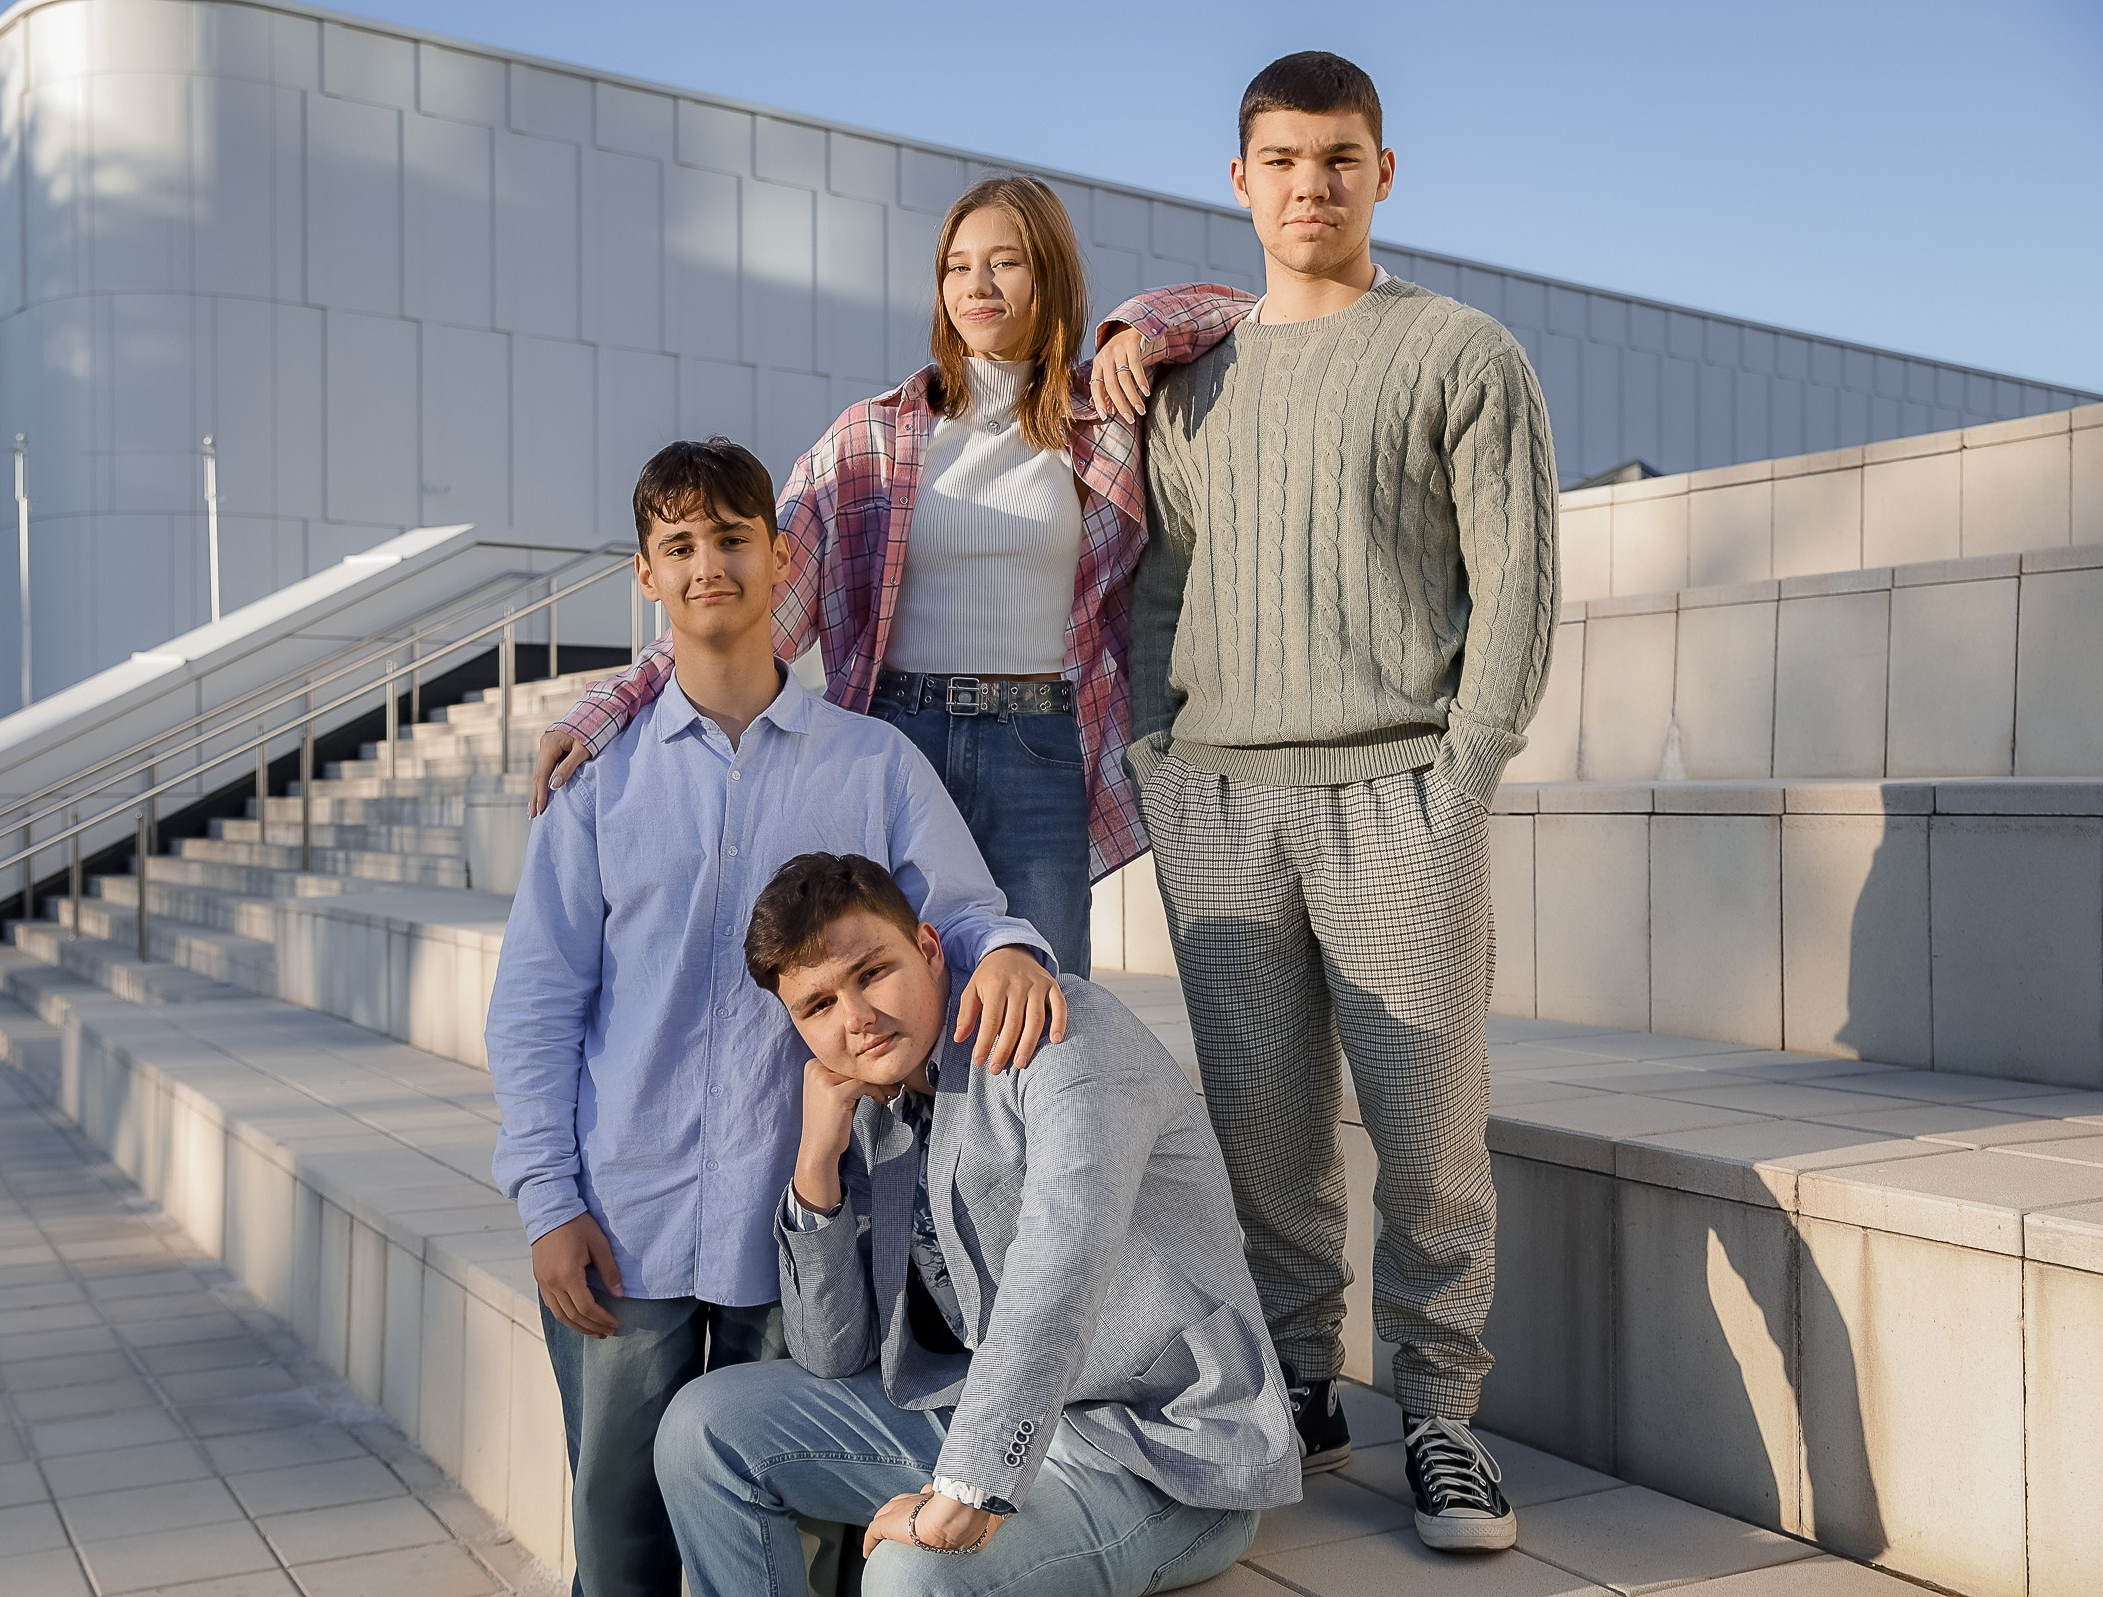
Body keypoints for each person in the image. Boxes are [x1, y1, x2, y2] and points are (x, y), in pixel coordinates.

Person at [484, 438, 1069, 1596]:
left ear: (781, 557)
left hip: (799, 1232)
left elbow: (961, 913)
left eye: (732, 538)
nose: (709, 564)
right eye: (679, 545)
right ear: (646, 574)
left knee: (789, 1543)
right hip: (627, 1218)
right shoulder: (598, 781)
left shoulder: (873, 763)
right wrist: (547, 1197)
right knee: (619, 1538)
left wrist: (1008, 949)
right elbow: (537, 1003)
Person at [1109, 51, 1558, 1552]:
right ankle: (1298, 1383)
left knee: (1430, 1131)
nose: (1313, 185)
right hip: (1222, 802)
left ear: (1383, 173)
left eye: (1341, 159)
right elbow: (1159, 586)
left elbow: (1516, 588)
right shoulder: (1192, 381)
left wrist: (1463, 773)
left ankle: (1440, 1412)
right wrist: (1160, 762)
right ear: (1240, 182)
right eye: (1285, 160)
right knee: (1264, 1132)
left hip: (1396, 795)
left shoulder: (1462, 353)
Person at [528, 176, 1244, 978]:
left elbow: (1239, 311)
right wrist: (610, 706)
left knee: (1042, 992)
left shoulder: (1103, 418)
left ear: (1050, 275)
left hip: (1037, 746)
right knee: (889, 989)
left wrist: (1135, 331)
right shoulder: (871, 437)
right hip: (900, 736)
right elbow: (755, 603)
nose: (976, 285)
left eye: (1005, 262)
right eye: (957, 266)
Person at [656, 853, 1300, 1594]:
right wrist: (815, 1166)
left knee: (912, 1577)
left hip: (1157, 1449)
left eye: (872, 972)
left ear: (929, 947)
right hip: (976, 1406)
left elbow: (1062, 1263)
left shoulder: (1063, 1036)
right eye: (818, 1006)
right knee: (702, 1430)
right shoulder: (875, 1096)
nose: (856, 1018)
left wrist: (967, 1488)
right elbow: (831, 1354)